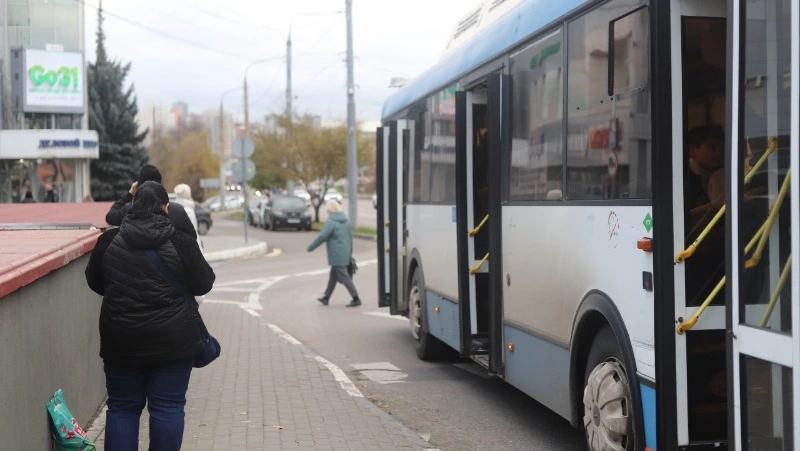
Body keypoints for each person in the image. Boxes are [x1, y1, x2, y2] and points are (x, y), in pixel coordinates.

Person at [85, 181, 215, 451]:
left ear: (133, 205)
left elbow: (95, 282)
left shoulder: (108, 241)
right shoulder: (182, 242)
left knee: (122, 408)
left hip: (121, 340)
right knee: (168, 406)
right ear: (166, 207)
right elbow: (204, 284)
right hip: (174, 342)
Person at [106, 164, 197, 239]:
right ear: (160, 185)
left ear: (138, 186)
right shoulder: (177, 210)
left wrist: (129, 194)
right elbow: (192, 237)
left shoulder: (129, 209)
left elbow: (110, 217)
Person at [308, 200, 361, 307]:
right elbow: (349, 238)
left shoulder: (331, 222)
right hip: (345, 252)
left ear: (330, 210)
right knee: (333, 276)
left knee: (344, 276)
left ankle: (356, 298)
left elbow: (323, 236)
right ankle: (326, 297)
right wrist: (349, 253)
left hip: (337, 254)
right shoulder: (346, 221)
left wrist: (311, 246)